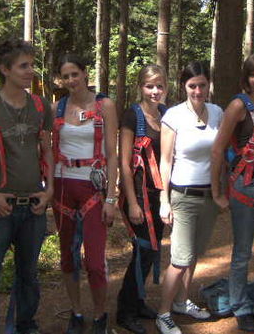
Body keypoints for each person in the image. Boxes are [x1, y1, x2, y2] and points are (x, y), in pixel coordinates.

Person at [0, 40, 54, 334]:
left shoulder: (41, 106)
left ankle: (25, 324)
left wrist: (49, 191)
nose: (31, 71)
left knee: (29, 274)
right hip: (0, 206)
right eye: (23, 66)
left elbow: (47, 151)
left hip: (33, 204)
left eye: (32, 64)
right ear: (5, 69)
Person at [210, 54, 254, 332]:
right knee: (242, 251)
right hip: (244, 185)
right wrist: (218, 192)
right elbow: (218, 149)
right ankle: (241, 305)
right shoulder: (238, 106)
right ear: (246, 79)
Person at [51, 54, 118, 334]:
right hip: (63, 186)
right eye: (65, 77)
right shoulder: (57, 108)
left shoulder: (105, 105)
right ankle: (76, 312)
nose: (70, 81)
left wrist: (112, 198)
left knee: (94, 261)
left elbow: (113, 154)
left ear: (85, 73)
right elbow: (47, 148)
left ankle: (100, 315)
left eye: (74, 74)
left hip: (94, 188)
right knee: (68, 258)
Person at [156, 62, 223, 334]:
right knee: (179, 258)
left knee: (193, 255)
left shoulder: (217, 112)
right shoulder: (173, 116)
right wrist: (164, 199)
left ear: (209, 85)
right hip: (182, 197)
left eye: (202, 85)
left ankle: (182, 302)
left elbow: (221, 154)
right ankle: (163, 313)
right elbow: (165, 160)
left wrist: (221, 193)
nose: (197, 90)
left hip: (208, 196)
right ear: (184, 87)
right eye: (192, 86)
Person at [116, 65, 168, 334]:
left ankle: (137, 301)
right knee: (142, 251)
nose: (155, 91)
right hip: (138, 195)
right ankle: (125, 310)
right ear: (141, 87)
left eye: (159, 85)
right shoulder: (131, 115)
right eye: (150, 86)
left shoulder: (165, 114)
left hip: (159, 195)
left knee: (152, 251)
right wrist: (133, 203)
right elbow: (125, 163)